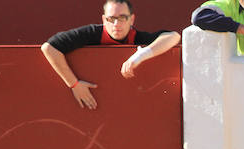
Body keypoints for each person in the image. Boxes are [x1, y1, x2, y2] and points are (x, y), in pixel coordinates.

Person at [40, 0, 181, 110]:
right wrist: (74, 84)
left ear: (131, 20)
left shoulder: (137, 37)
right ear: (103, 19)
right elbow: (49, 48)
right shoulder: (91, 33)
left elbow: (173, 36)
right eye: (111, 18)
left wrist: (139, 56)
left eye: (122, 18)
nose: (116, 24)